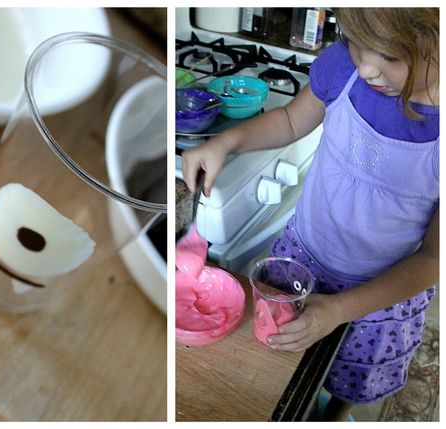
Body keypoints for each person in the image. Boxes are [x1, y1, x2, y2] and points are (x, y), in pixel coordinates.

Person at [181, 8, 439, 421]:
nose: (367, 67)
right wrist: (226, 143)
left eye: (390, 55)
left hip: (378, 294)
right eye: (354, 41)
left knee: (354, 375)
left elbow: (433, 259)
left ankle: (335, 414)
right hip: (303, 257)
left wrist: (339, 311)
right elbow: (288, 120)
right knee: (284, 360)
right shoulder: (343, 68)